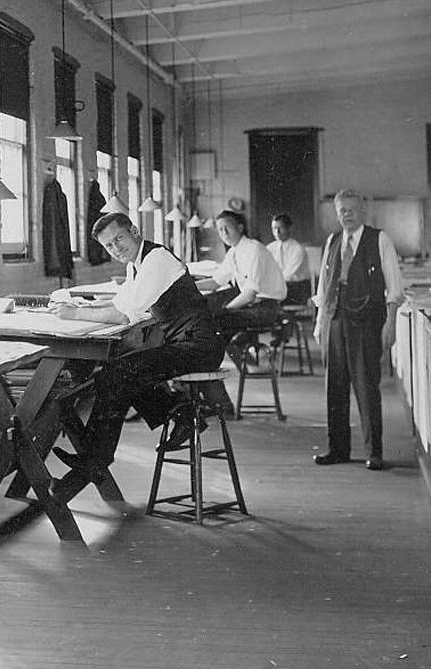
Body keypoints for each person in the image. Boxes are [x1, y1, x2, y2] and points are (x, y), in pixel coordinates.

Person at [47, 213, 226, 495]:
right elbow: (122, 303)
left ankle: (96, 458)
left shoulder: (156, 259)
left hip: (200, 346)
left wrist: (75, 314)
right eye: (109, 246)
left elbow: (123, 315)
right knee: (121, 372)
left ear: (134, 230)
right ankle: (178, 414)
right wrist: (80, 309)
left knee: (117, 373)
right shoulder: (136, 265)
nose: (116, 248)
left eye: (119, 238)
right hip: (185, 342)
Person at [313, 189, 404, 472]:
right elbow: (323, 286)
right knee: (335, 387)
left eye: (352, 209)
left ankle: (374, 452)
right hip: (335, 320)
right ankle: (338, 449)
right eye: (342, 210)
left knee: (366, 387)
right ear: (336, 213)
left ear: (363, 211)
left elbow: (395, 288)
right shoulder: (332, 241)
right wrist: (320, 322)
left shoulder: (380, 239)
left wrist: (391, 324)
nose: (347, 214)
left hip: (367, 322)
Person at [197, 209, 287, 338]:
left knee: (216, 319)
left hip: (267, 307)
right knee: (207, 312)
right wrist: (190, 285)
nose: (224, 233)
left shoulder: (254, 250)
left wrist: (224, 310)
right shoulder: (233, 252)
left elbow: (249, 295)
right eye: (220, 230)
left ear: (240, 228)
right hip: (252, 303)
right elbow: (216, 281)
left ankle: (237, 348)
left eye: (227, 228)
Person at [266, 213, 312, 305]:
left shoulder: (298, 249)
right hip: (278, 286)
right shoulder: (270, 248)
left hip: (296, 289)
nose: (277, 232)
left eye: (281, 228)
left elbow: (287, 275)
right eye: (274, 228)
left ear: (289, 228)